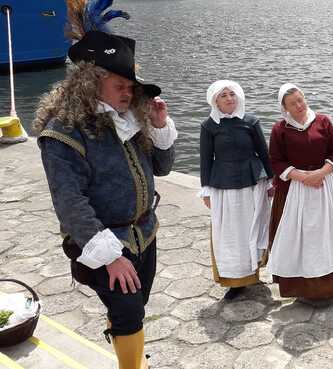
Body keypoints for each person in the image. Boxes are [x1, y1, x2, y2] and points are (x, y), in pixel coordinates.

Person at [33, 29, 177, 369]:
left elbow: (163, 167)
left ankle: (130, 352)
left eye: (131, 87)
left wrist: (159, 126)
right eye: (120, 86)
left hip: (145, 234)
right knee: (128, 311)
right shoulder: (64, 131)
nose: (128, 93)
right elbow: (70, 203)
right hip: (104, 240)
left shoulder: (130, 121)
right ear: (91, 83)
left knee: (134, 307)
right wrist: (111, 257)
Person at [266, 83, 333, 300]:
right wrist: (303, 177)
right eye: (293, 103)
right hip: (295, 189)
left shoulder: (322, 121)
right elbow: (276, 160)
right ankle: (302, 286)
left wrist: (320, 174)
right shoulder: (280, 129)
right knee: (302, 239)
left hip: (327, 186)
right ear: (284, 108)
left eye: (301, 99)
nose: (299, 105)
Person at [199, 80, 274, 300]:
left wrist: (271, 181)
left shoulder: (251, 122)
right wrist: (206, 190)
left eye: (232, 94)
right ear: (215, 100)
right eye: (224, 95)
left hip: (253, 183)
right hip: (224, 187)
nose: (229, 98)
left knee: (253, 227)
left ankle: (254, 271)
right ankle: (235, 280)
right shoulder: (209, 126)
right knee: (230, 233)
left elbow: (263, 152)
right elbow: (206, 159)